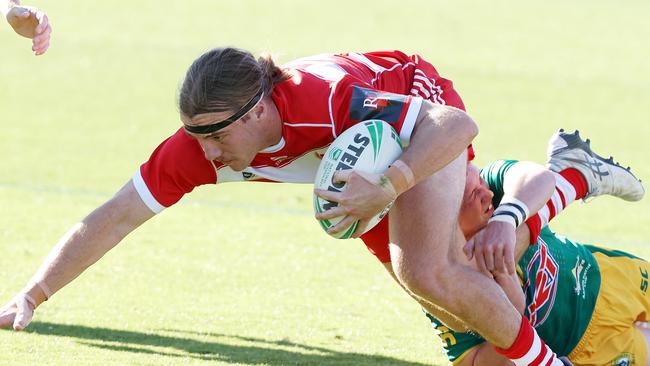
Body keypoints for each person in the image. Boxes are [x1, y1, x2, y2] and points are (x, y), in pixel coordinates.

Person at [0, 47, 631, 366]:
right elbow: (114, 215)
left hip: (420, 113)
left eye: (219, 135)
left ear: (264, 109)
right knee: (463, 294)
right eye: (199, 136)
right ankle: (570, 176)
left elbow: (456, 125)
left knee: (432, 270)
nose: (209, 151)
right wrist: (33, 295)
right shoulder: (202, 146)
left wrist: (395, 182)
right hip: (365, 161)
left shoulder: (324, 100)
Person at [428, 130, 648, 366]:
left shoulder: (493, 189)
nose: (488, 193)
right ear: (448, 220)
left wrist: (506, 218)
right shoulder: (444, 279)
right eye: (474, 195)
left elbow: (539, 178)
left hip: (603, 276)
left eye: (480, 181)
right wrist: (508, 316)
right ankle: (577, 173)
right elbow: (472, 362)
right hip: (584, 346)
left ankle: (576, 173)